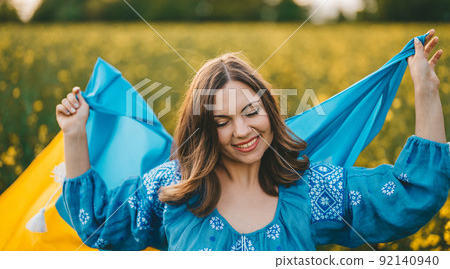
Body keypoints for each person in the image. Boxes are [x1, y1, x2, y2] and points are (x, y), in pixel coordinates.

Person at [57, 29, 449, 251]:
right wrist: (75, 136)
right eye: (222, 121)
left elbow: (409, 197)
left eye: (250, 112)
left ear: (270, 112)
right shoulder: (172, 188)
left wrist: (426, 94)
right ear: (204, 130)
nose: (242, 132)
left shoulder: (312, 188)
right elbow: (99, 227)